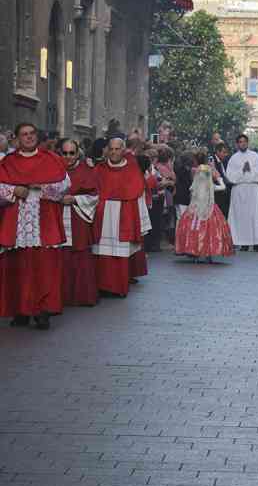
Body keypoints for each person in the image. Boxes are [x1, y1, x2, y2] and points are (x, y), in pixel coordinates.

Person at [0, 122, 69, 330]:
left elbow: (65, 185)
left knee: (44, 267)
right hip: (17, 220)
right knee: (18, 267)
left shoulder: (51, 159)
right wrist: (13, 191)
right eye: (24, 134)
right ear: (17, 138)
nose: (29, 137)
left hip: (44, 220)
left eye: (32, 133)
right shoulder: (8, 162)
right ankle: (21, 310)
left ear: (36, 136)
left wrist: (43, 188)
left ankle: (42, 311)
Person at [92, 138, 151, 297]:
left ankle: (118, 287)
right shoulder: (99, 169)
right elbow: (92, 193)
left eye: (117, 149)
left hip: (124, 216)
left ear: (123, 150)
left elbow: (138, 196)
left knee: (121, 254)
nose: (114, 152)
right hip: (103, 216)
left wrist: (141, 223)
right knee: (102, 253)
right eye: (111, 149)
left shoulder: (132, 170)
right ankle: (102, 286)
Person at [59, 139, 99, 307]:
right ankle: (60, 296)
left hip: (78, 217)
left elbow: (95, 196)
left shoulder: (86, 171)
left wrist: (75, 199)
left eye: (72, 153)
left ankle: (82, 296)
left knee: (80, 255)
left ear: (77, 154)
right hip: (57, 217)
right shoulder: (53, 170)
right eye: (65, 153)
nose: (68, 156)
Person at [175, 154, 234, 263]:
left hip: (195, 208)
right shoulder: (210, 181)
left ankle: (194, 251)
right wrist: (219, 179)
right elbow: (222, 187)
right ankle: (208, 253)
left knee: (193, 227)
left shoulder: (195, 176)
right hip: (209, 207)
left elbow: (191, 188)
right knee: (210, 230)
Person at [226, 134, 258, 252]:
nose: (242, 144)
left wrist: (251, 169)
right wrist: (242, 170)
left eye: (244, 141)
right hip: (239, 191)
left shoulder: (255, 156)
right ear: (237, 144)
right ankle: (243, 242)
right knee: (241, 217)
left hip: (253, 190)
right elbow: (230, 176)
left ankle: (257, 242)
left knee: (255, 216)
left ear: (247, 143)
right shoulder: (233, 158)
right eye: (240, 142)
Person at [213, 142, 232, 218]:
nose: (225, 154)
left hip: (225, 193)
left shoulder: (224, 161)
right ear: (218, 151)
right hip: (218, 195)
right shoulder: (212, 161)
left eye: (226, 152)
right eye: (224, 152)